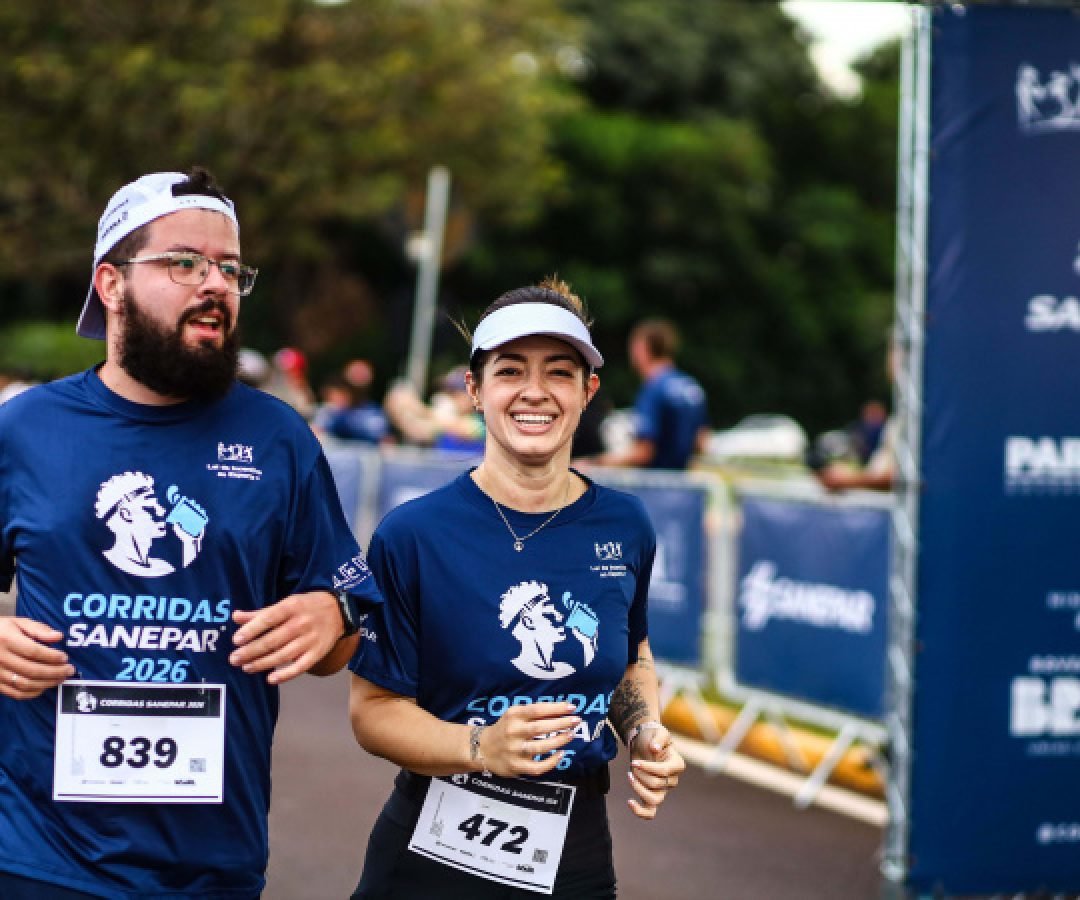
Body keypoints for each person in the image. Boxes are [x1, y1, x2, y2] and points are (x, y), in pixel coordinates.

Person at [0, 167, 383, 899]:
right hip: (37, 855)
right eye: (184, 262)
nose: (216, 284)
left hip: (211, 865)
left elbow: (343, 637)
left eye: (231, 269)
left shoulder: (277, 439)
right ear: (110, 284)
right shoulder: (25, 429)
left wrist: (332, 614)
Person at [348, 277, 685, 899]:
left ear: (588, 392)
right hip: (433, 853)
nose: (535, 392)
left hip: (575, 851)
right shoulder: (413, 534)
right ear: (475, 390)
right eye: (510, 371)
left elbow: (632, 657)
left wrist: (644, 732)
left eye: (559, 372)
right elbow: (372, 712)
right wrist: (479, 746)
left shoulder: (625, 524)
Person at [593, 318, 708, 470]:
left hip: (657, 488)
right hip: (684, 487)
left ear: (643, 348)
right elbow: (701, 443)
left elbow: (644, 451)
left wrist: (596, 463)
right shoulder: (691, 387)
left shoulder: (654, 388)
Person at [382, 364, 486, 456]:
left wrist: (417, 407)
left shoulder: (483, 423)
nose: (448, 396)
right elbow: (418, 431)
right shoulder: (444, 422)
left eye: (453, 392)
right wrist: (397, 413)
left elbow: (456, 425)